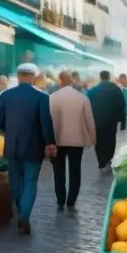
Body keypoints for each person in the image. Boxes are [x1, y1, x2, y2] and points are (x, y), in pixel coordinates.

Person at [0, 62, 56, 235]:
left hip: (12, 146)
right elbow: (46, 123)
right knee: (30, 181)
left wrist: (9, 133)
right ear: (33, 77)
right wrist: (49, 142)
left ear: (19, 76)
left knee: (15, 180)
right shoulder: (42, 97)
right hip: (33, 147)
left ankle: (21, 211)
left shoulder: (6, 96)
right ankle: (24, 218)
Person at [49, 71, 96, 211]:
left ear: (59, 81)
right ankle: (71, 200)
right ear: (72, 81)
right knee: (75, 170)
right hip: (77, 141)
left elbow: (46, 121)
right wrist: (94, 139)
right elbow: (90, 120)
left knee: (58, 171)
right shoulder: (82, 98)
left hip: (57, 140)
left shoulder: (51, 98)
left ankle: (60, 199)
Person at [88, 70, 127, 172]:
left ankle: (101, 161)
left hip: (97, 120)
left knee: (99, 140)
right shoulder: (115, 89)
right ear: (109, 77)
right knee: (110, 139)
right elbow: (122, 104)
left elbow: (88, 106)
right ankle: (108, 158)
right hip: (111, 120)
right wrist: (123, 121)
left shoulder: (92, 91)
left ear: (100, 77)